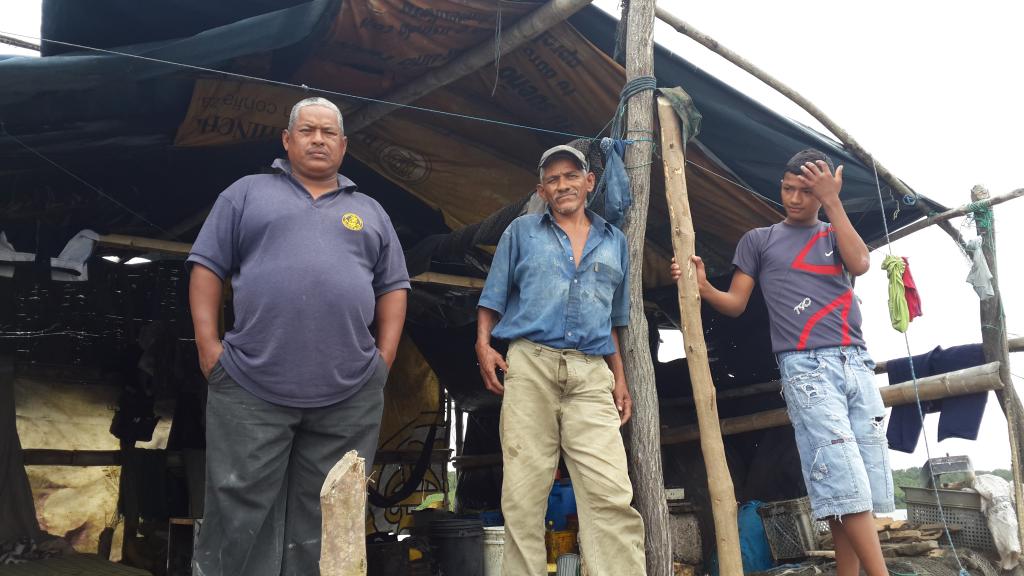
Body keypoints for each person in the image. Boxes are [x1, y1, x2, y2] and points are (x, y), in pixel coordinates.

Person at [187, 97, 409, 576]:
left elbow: (393, 287)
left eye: (329, 132)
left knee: (331, 513)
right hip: (251, 383)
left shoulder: (369, 211)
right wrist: (210, 348)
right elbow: (206, 267)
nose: (318, 139)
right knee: (239, 508)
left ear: (344, 146)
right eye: (307, 130)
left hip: (348, 393)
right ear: (287, 140)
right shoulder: (245, 194)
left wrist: (383, 360)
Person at [671, 149, 893, 576]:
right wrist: (702, 288)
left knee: (854, 475)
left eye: (805, 191)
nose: (793, 198)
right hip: (805, 367)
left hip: (855, 360)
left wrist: (833, 202)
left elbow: (861, 263)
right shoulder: (760, 240)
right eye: (787, 188)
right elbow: (735, 304)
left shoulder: (833, 234)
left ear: (825, 192)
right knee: (841, 473)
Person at [476, 145, 646, 576]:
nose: (563, 185)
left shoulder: (615, 241)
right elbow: (492, 297)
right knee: (523, 494)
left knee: (610, 492)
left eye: (571, 175)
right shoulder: (521, 232)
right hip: (529, 365)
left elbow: (614, 318)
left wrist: (619, 377)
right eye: (552, 179)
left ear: (589, 182)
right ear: (542, 190)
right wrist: (484, 345)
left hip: (591, 374)